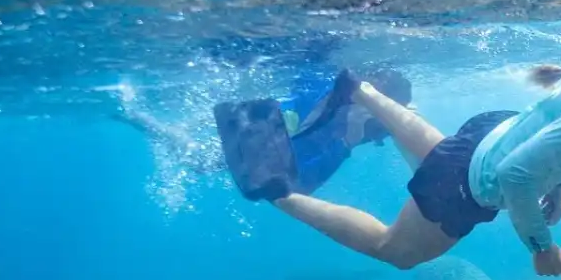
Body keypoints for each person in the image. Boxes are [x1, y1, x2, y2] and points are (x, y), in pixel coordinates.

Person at [223, 47, 561, 276]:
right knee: (398, 252)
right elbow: (517, 176)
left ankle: (355, 89)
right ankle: (278, 191)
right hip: (471, 181)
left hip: (486, 132)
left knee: (440, 150)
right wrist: (542, 247)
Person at [117, 67, 413, 195]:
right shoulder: (335, 86)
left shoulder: (365, 129)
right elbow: (303, 88)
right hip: (274, 128)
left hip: (279, 154)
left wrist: (348, 141)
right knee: (210, 144)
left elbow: (304, 184)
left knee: (199, 163)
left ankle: (135, 117)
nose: (362, 97)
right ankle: (145, 118)